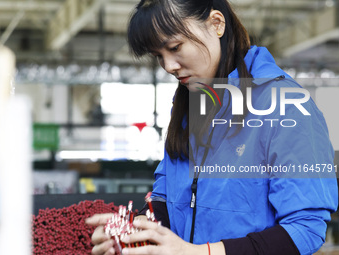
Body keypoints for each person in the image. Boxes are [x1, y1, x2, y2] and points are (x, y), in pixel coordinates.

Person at [85, 0, 338, 254]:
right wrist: (137, 227)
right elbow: (167, 195)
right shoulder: (189, 103)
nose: (169, 66)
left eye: (175, 47)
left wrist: (196, 252)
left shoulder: (285, 107)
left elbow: (305, 230)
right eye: (158, 56)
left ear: (216, 24)